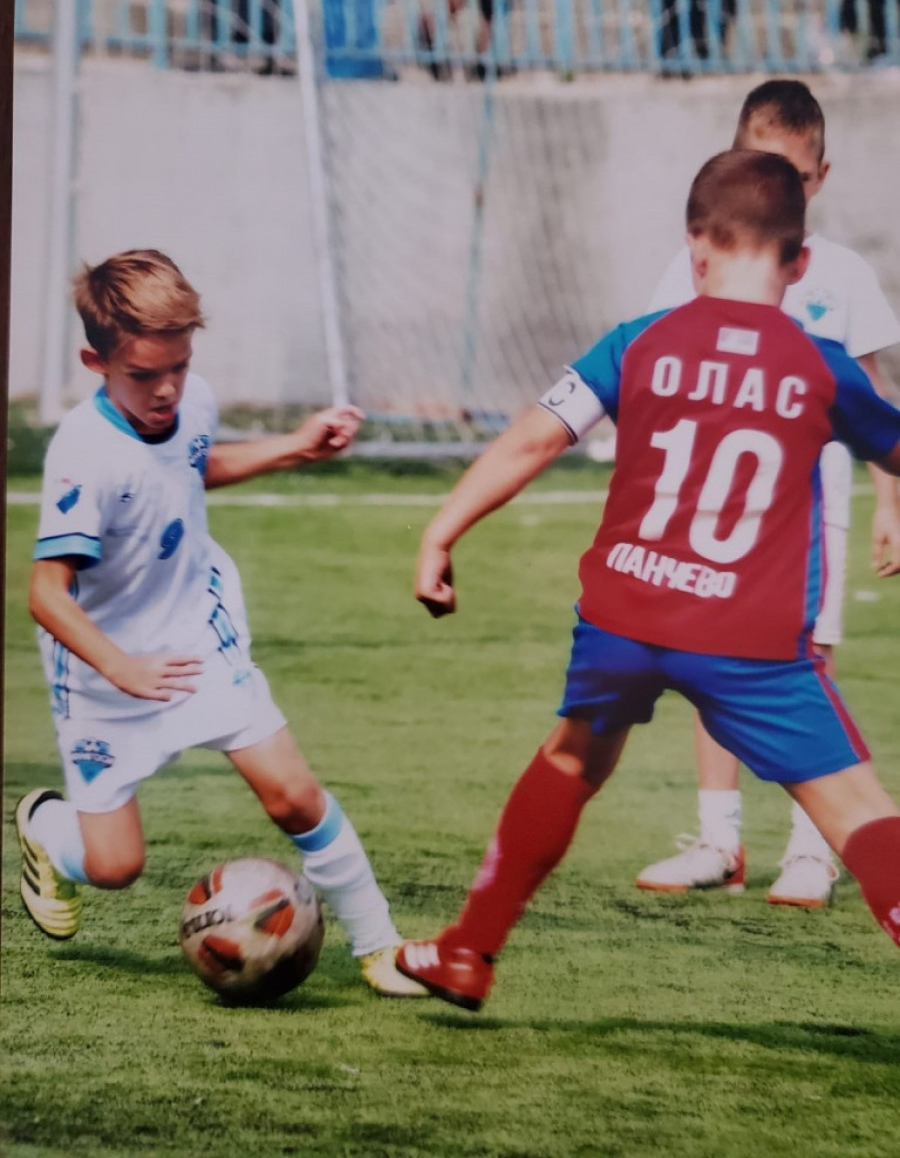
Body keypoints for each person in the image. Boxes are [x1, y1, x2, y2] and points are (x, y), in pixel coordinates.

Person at [394, 150, 900, 1011]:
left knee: (572, 757)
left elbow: (534, 438)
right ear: (800, 261)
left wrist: (442, 531)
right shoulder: (823, 367)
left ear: (695, 246)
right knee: (856, 810)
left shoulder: (639, 340)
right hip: (749, 641)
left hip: (625, 619)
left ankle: (469, 950)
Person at [15, 249, 427, 998]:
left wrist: (295, 448)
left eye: (180, 365)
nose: (168, 389)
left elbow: (192, 467)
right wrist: (121, 668)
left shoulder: (190, 400)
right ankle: (46, 825)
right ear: (95, 362)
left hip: (199, 634)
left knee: (293, 795)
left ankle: (379, 945)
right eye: (144, 374)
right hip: (104, 672)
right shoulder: (83, 454)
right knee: (115, 867)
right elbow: (47, 594)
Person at [637, 79, 900, 909]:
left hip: (809, 517)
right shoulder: (693, 266)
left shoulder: (842, 274)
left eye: (795, 175)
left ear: (821, 177)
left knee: (805, 666)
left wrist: (890, 503)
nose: (776, 189)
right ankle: (719, 841)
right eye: (761, 168)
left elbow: (873, 399)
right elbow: (663, 372)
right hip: (715, 515)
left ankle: (813, 850)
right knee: (709, 660)